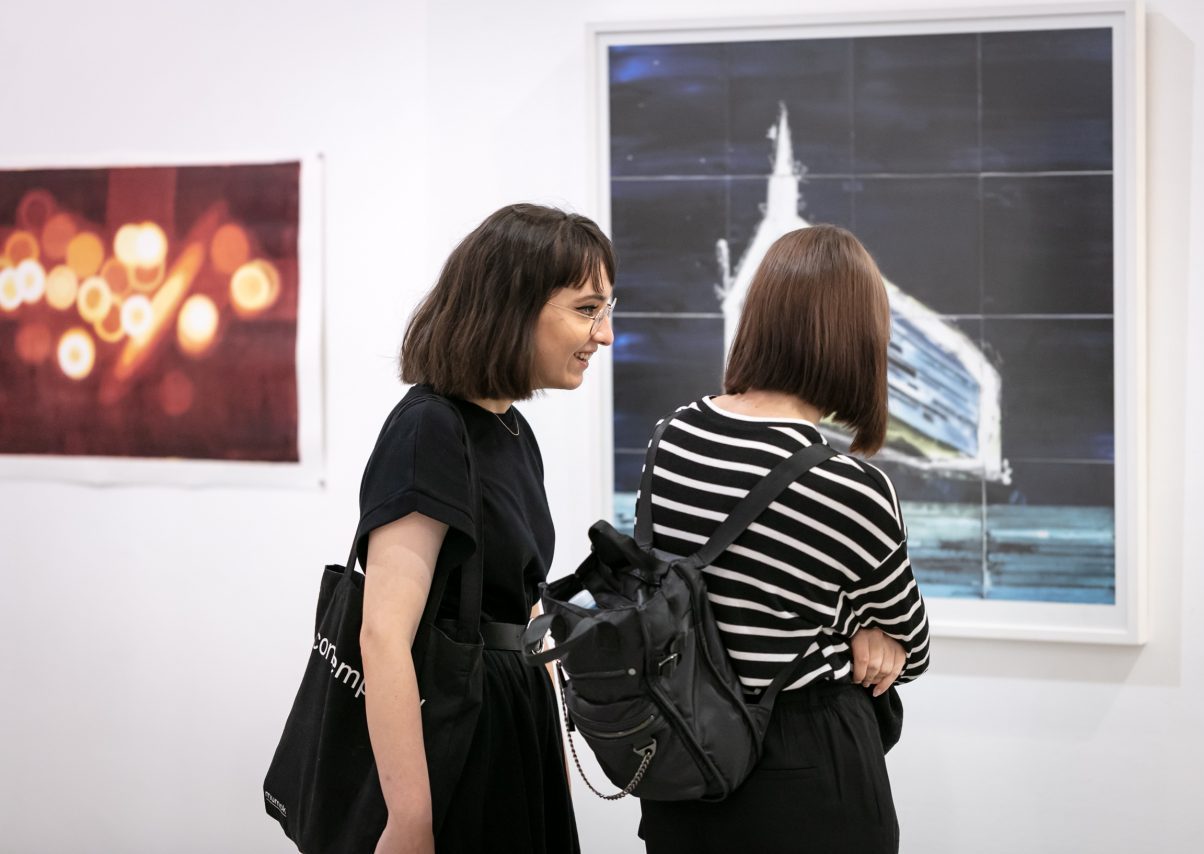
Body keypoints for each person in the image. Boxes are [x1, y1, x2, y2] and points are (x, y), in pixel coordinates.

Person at [635, 224, 930, 854]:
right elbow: (913, 645)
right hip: (807, 764)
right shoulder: (851, 487)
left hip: (683, 757)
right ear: (858, 339)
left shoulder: (672, 437)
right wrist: (856, 629)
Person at [355, 203, 615, 853]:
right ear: (513, 305)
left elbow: (524, 606)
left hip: (512, 718)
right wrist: (410, 820)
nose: (605, 334)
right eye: (587, 309)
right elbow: (383, 634)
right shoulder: (430, 429)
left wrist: (549, 752)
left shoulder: (512, 430)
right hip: (462, 732)